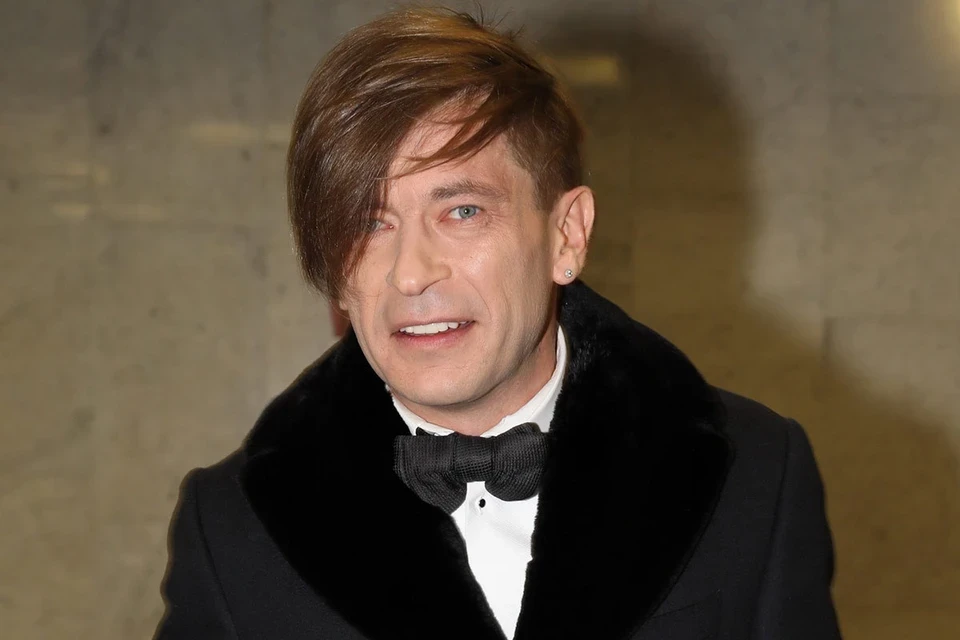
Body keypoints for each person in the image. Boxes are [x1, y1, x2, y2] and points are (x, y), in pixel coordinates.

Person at [154, 7, 841, 640]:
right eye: (368, 223)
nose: (410, 274)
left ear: (567, 235)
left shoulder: (755, 475)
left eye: (462, 212)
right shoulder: (232, 526)